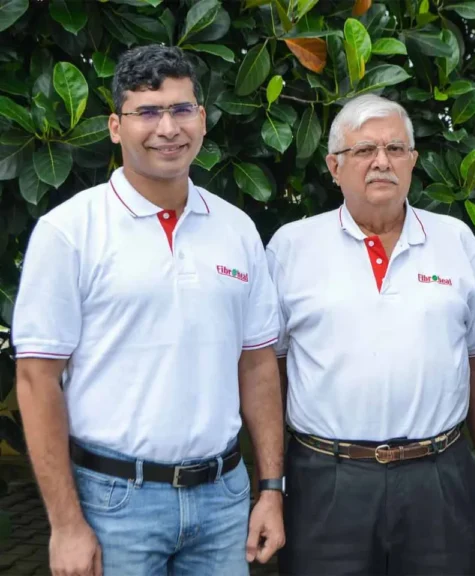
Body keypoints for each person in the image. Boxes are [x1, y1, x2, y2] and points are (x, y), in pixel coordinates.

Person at [13, 45, 285, 576]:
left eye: (182, 109)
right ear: (116, 127)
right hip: (114, 504)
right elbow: (36, 379)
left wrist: (270, 489)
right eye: (148, 112)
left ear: (201, 119)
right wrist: (66, 525)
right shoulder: (69, 232)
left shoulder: (237, 230)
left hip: (224, 500)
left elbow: (257, 365)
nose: (168, 128)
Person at [266, 94, 475, 576]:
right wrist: (272, 484)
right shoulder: (291, 246)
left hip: (438, 476)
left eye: (395, 149)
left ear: (413, 161)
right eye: (363, 150)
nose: (381, 162)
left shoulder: (456, 240)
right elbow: (269, 368)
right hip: (327, 479)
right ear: (334, 167)